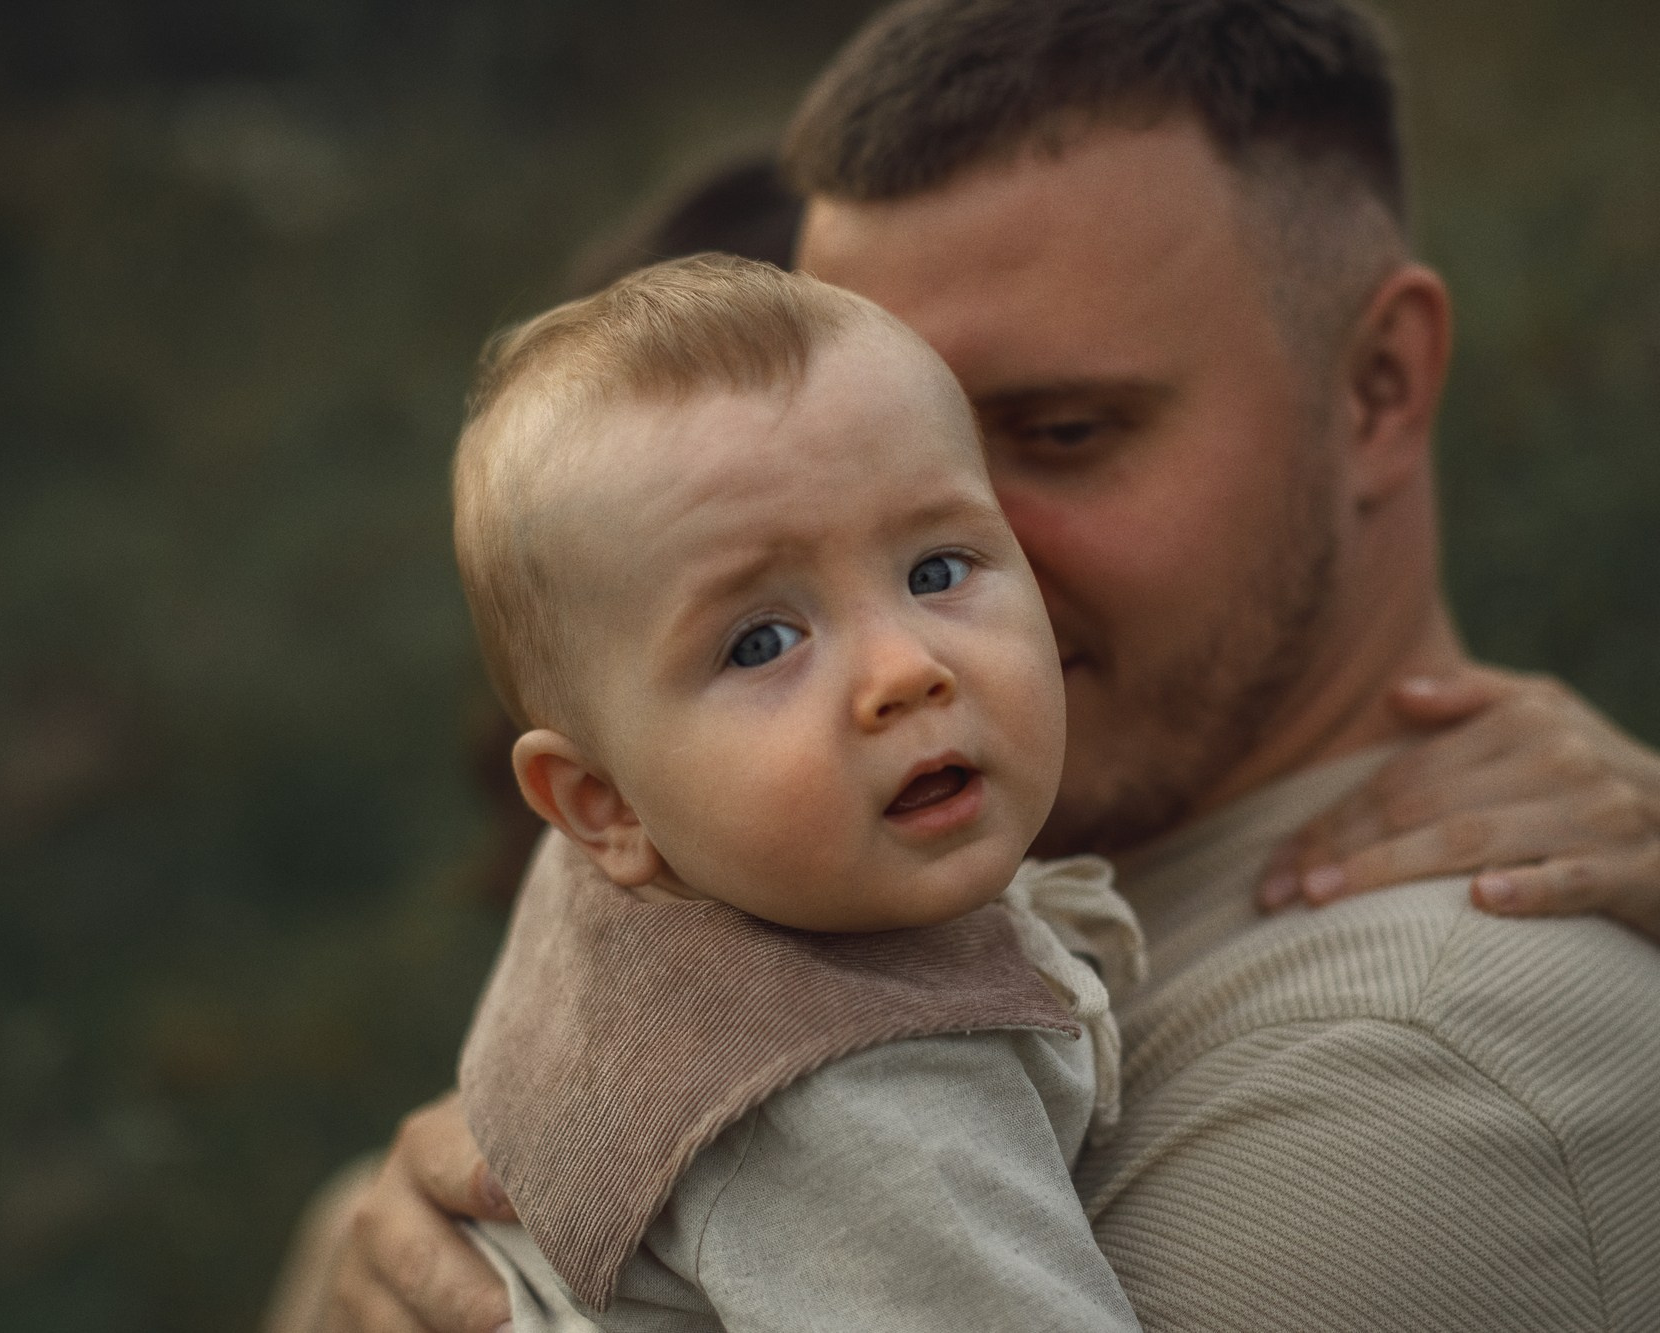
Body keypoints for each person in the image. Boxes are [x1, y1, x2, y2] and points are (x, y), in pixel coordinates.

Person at [293, 1, 1660, 1329]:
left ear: (1377, 388)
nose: (915, 631)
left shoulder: (1434, 1071)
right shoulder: (868, 887)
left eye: (1062, 435)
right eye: (869, 441)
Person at [449, 252, 1142, 1329]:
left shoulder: (665, 852)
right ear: (602, 805)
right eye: (762, 641)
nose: (903, 669)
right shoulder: (861, 1113)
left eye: (936, 570)